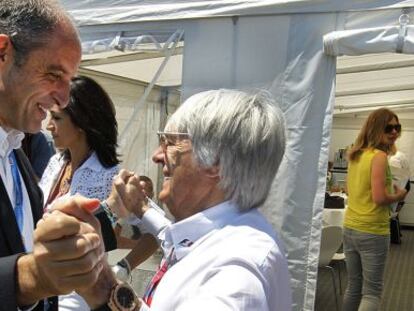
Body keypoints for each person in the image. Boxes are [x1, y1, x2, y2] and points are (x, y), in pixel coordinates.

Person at [40, 89, 292, 310]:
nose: (156, 156)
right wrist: (139, 208)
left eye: (170, 143)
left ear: (214, 161)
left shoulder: (237, 268)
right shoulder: (225, 234)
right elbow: (172, 238)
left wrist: (102, 283)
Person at [0, 1, 101, 310]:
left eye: (69, 80)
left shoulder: (17, 159)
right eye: (54, 73)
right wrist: (27, 277)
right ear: (3, 53)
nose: (63, 98)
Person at [39, 75, 121, 310]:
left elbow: (145, 233)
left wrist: (124, 265)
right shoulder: (55, 163)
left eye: (56, 118)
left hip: (77, 299)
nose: (49, 126)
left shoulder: (110, 175)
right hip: (42, 291)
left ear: (81, 122)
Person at [343, 108, 407, 311]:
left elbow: (349, 190)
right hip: (372, 230)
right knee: (372, 292)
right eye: (389, 127)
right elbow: (380, 198)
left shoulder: (356, 153)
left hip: (350, 228)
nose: (395, 132)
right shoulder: (378, 156)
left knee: (354, 286)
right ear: (377, 128)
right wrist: (398, 195)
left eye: (398, 127)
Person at [112, 175, 160, 281]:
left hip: (147, 271)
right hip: (115, 266)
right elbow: (113, 239)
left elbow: (160, 237)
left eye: (148, 189)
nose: (144, 193)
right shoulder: (123, 209)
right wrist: (139, 244)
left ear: (152, 193)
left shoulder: (156, 214)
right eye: (140, 188)